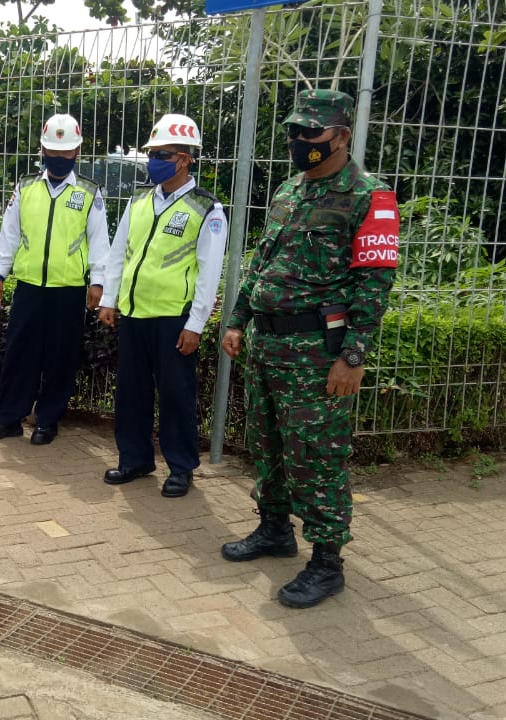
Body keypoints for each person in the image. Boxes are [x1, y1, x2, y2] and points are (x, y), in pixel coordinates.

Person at [219, 89, 399, 609]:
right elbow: (262, 261)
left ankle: (326, 561)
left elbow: (374, 284)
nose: (299, 141)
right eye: (294, 131)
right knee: (267, 443)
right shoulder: (288, 190)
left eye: (311, 133)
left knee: (317, 455)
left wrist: (353, 356)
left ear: (341, 136)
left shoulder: (370, 197)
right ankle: (274, 528)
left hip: (317, 352)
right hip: (267, 342)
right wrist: (238, 320)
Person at [98, 113, 227, 498]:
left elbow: (209, 272)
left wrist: (195, 324)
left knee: (175, 395)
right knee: (131, 392)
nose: (153, 161)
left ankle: (181, 467)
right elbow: (119, 252)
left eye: (162, 155)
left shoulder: (207, 208)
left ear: (184, 159)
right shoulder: (139, 200)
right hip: (134, 314)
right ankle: (134, 459)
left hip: (174, 317)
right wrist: (109, 299)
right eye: (152, 153)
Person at [0, 114, 109, 445]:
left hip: (69, 290)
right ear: (43, 150)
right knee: (19, 354)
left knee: (61, 358)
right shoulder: (25, 188)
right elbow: (10, 233)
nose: (59, 157)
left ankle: (47, 421)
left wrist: (98, 282)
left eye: (65, 152)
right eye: (53, 151)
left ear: (77, 152)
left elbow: (99, 241)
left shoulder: (89, 193)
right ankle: (8, 419)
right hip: (30, 287)